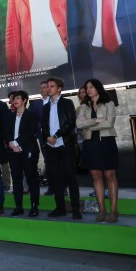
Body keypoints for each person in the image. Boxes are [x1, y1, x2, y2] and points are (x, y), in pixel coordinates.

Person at [76, 78, 120, 223]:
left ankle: (114, 209)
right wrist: (96, 120)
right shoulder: (84, 106)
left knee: (110, 175)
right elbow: (79, 124)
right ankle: (102, 209)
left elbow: (109, 123)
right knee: (95, 175)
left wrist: (89, 125)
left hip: (106, 141)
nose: (88, 90)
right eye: (87, 87)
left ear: (98, 88)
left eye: (91, 87)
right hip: (90, 142)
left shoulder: (109, 103)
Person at [42, 77, 82, 219]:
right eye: (47, 86)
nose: (48, 88)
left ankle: (76, 209)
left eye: (52, 86)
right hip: (51, 146)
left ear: (59, 88)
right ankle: (60, 208)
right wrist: (47, 137)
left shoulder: (67, 103)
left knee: (70, 177)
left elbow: (71, 122)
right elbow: (44, 126)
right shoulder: (46, 107)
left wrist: (57, 135)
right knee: (55, 178)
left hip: (65, 144)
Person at [5, 91, 40, 217]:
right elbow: (7, 132)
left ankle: (34, 206)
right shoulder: (10, 116)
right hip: (13, 151)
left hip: (28, 150)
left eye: (18, 98)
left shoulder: (32, 115)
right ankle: (18, 207)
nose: (15, 100)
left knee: (31, 178)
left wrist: (16, 143)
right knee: (16, 179)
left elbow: (31, 132)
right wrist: (10, 143)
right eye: (14, 98)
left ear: (25, 100)